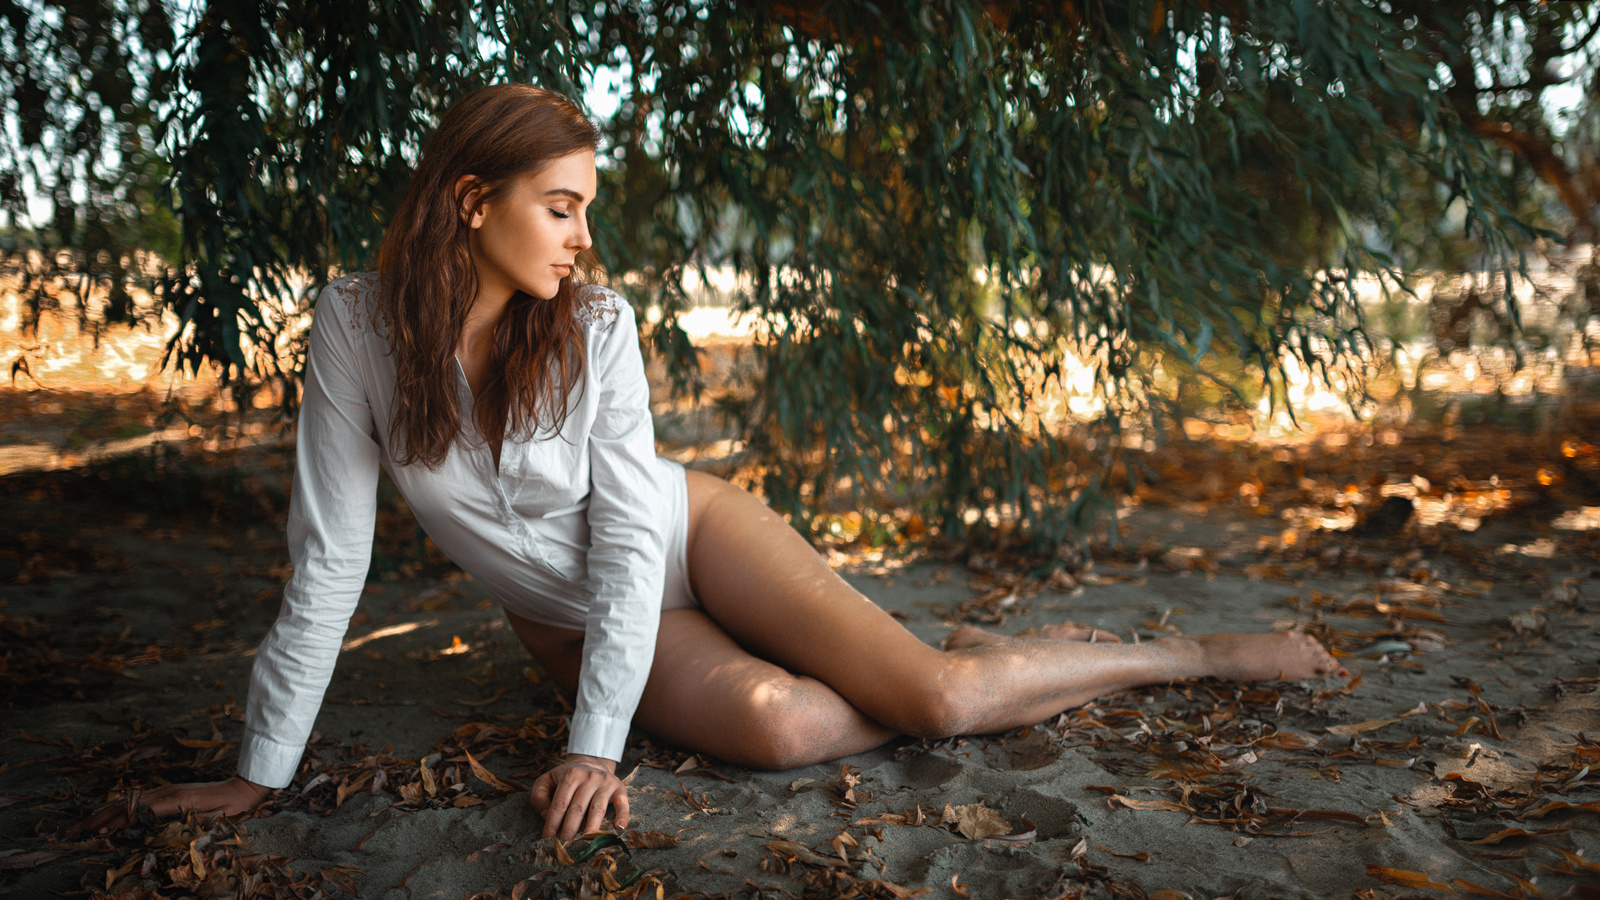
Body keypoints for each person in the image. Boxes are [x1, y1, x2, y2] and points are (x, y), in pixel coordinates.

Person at [86, 84, 1346, 843]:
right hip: (562, 620)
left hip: (689, 537)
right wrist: (262, 773)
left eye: (588, 207)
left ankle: (1178, 656)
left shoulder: (596, 328)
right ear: (473, 202)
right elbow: (329, 564)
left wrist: (592, 751)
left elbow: (637, 541)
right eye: (562, 205)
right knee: (783, 721)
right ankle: (920, 674)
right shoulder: (354, 331)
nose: (585, 235)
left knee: (945, 707)